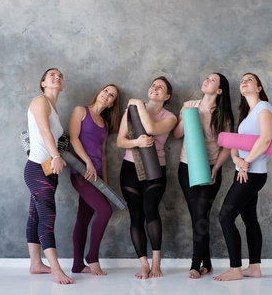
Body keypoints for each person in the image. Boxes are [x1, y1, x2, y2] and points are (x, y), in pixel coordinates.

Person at [213, 73, 272, 281]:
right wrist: (236, 160)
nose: (243, 82)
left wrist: (246, 162)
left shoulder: (264, 107)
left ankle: (235, 269)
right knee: (249, 219)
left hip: (253, 173)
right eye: (241, 81)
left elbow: (266, 139)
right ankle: (254, 268)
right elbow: (234, 144)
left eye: (249, 79)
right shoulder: (247, 114)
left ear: (259, 87)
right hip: (244, 171)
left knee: (225, 216)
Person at [173, 73, 235, 279]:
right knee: (197, 217)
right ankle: (206, 263)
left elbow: (227, 147)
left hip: (209, 169)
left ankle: (194, 264)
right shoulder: (189, 104)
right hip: (186, 167)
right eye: (207, 78)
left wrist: (216, 167)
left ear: (219, 90)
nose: (206, 81)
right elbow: (177, 134)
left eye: (212, 80)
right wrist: (188, 115)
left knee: (200, 216)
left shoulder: (223, 114)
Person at [116, 77, 177, 279]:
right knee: (136, 215)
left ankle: (156, 261)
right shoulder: (130, 112)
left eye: (161, 87)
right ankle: (143, 264)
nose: (155, 88)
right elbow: (120, 141)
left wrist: (137, 103)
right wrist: (136, 142)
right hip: (130, 169)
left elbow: (150, 128)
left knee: (151, 210)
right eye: (153, 85)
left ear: (167, 96)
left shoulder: (170, 117)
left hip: (155, 170)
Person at [23, 68, 73, 284]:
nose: (57, 77)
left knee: (35, 215)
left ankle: (36, 264)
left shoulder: (54, 108)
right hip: (37, 169)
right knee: (48, 218)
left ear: (62, 85)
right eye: (52, 75)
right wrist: (56, 156)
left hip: (48, 170)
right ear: (43, 83)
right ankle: (55, 268)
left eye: (60, 76)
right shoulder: (40, 101)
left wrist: (55, 159)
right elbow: (44, 132)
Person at [68, 84, 121, 276]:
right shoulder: (80, 111)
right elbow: (74, 139)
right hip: (81, 173)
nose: (107, 95)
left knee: (83, 219)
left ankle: (77, 265)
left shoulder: (105, 125)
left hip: (97, 177)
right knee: (105, 211)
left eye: (111, 95)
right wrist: (88, 162)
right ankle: (92, 258)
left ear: (112, 103)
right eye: (106, 91)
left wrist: (105, 183)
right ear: (99, 92)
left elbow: (103, 155)